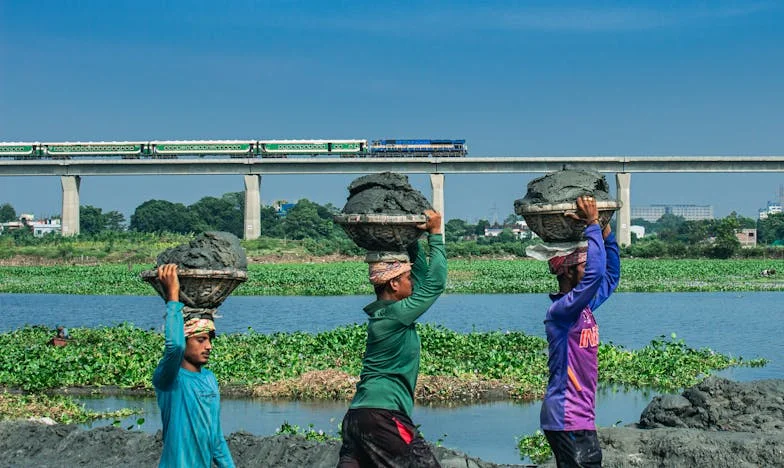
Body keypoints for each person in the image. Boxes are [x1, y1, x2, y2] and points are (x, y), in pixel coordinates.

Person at [338, 209, 447, 468]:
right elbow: (435, 284)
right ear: (394, 285)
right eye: (407, 278)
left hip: (356, 418)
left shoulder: (387, 314)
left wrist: (412, 241)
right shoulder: (396, 316)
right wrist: (435, 234)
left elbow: (421, 279)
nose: (412, 283)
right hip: (382, 417)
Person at [540, 195, 620, 468]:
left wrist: (605, 232)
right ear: (568, 272)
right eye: (583, 265)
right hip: (565, 416)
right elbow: (595, 276)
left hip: (581, 416)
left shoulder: (583, 308)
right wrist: (592, 224)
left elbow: (610, 277)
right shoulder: (562, 312)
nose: (589, 271)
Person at [152, 263, 235, 468]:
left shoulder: (209, 379)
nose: (208, 346)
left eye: (210, 340)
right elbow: (174, 347)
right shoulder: (169, 380)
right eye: (200, 340)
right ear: (185, 339)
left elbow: (216, 439)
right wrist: (173, 297)